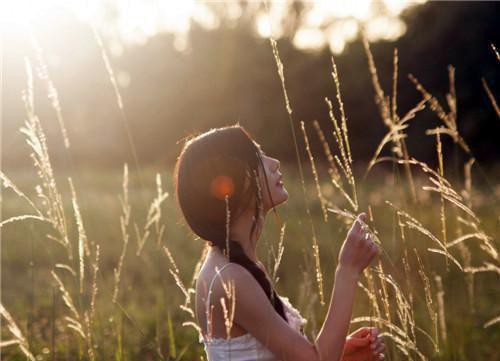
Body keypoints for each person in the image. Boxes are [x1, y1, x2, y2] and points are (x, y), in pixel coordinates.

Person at [174, 124, 385, 361]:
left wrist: (340, 351)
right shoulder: (230, 277)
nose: (274, 162)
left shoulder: (235, 266)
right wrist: (348, 270)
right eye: (258, 156)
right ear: (234, 178)